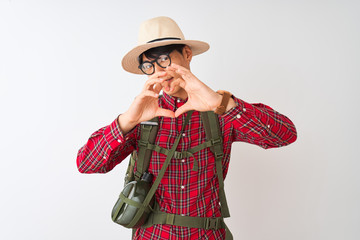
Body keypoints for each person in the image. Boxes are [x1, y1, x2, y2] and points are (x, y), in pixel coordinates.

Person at [76, 16, 297, 240]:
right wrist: (126, 121)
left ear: (187, 54)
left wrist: (222, 103)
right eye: (149, 66)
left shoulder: (219, 111)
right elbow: (86, 164)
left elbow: (285, 135)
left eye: (163, 59)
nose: (159, 72)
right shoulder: (143, 115)